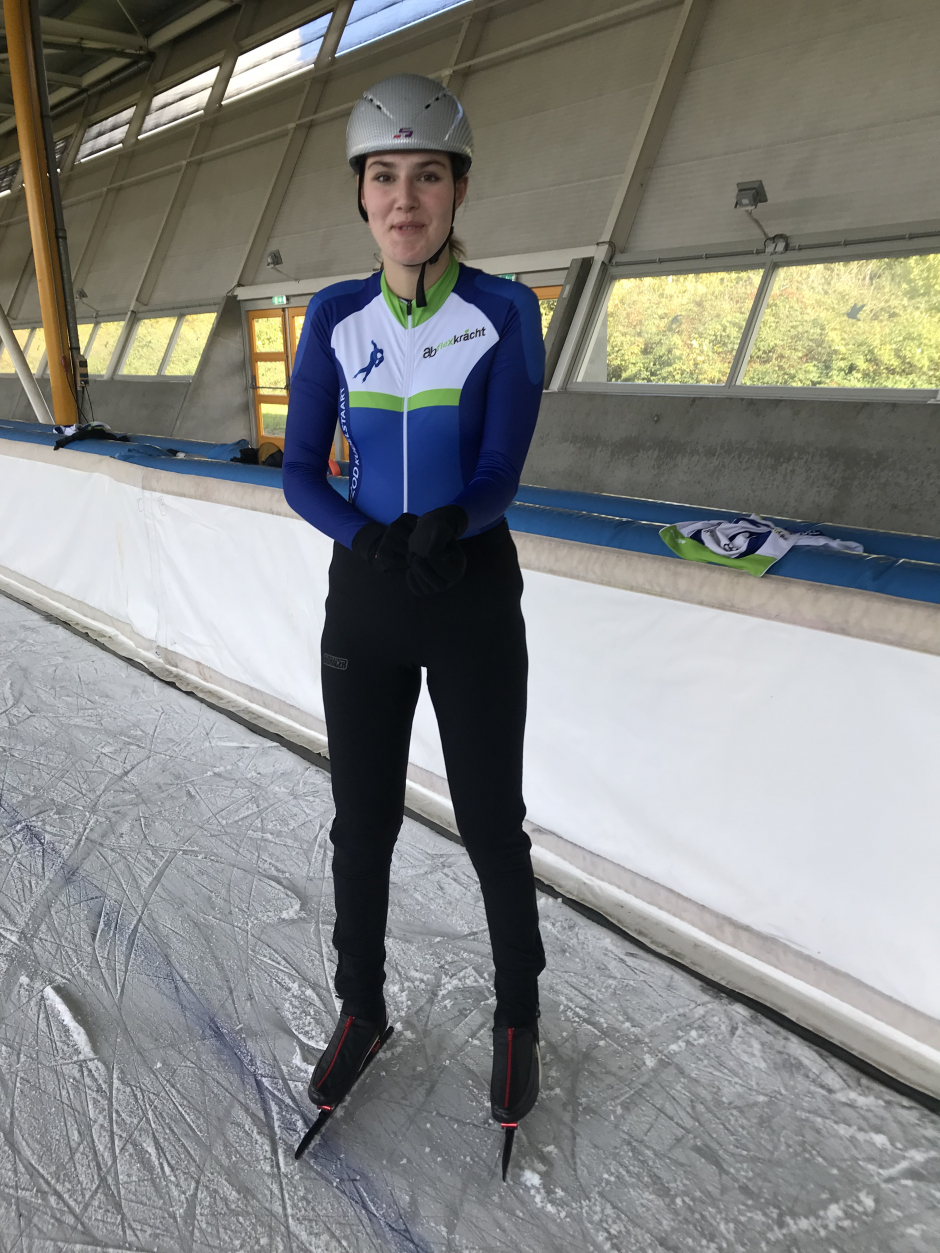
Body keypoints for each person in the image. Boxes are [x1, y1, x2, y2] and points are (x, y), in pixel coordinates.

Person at [282, 73, 546, 1176]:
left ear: (458, 189)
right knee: (362, 825)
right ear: (361, 194)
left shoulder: (507, 310)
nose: (404, 198)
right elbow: (300, 471)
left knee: (490, 824)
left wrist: (452, 523)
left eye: (426, 175)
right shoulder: (332, 316)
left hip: (469, 587)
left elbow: (500, 470)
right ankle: (362, 1004)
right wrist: (368, 537)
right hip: (371, 595)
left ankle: (519, 1015)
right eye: (384, 176)